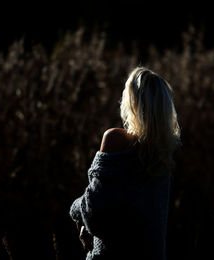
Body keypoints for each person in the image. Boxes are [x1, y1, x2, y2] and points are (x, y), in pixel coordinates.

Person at [69, 67, 181, 260]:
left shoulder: (115, 140)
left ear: (133, 103)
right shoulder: (163, 153)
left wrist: (76, 211)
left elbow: (93, 212)